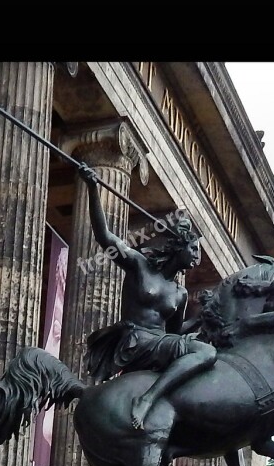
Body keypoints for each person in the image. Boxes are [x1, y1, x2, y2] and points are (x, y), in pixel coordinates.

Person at [79, 164, 216, 429]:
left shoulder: (180, 292)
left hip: (158, 343)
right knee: (207, 352)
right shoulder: (139, 264)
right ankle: (148, 398)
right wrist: (93, 188)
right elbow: (104, 237)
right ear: (179, 245)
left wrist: (201, 319)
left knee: (203, 360)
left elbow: (175, 336)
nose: (198, 256)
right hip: (135, 340)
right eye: (194, 248)